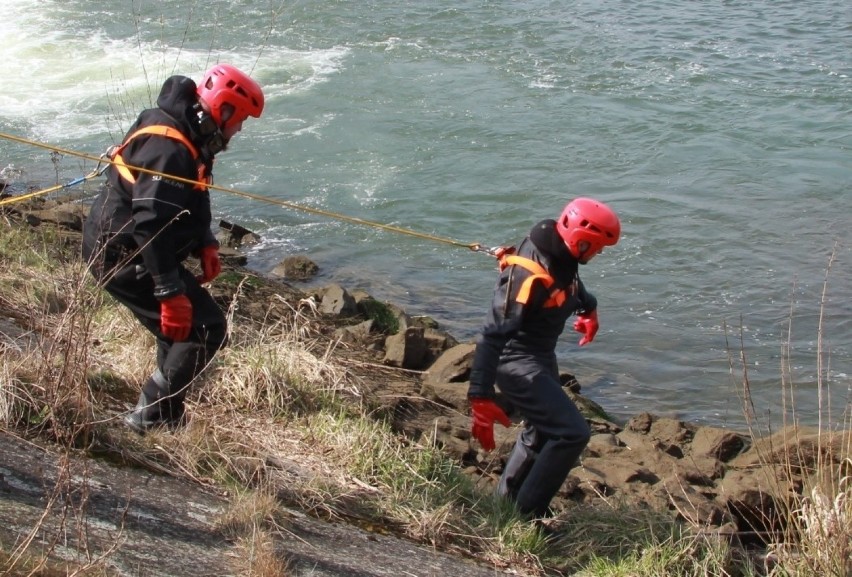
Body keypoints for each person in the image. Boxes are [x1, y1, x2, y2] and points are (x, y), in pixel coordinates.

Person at [82, 64, 264, 433]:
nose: (240, 129)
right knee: (205, 329)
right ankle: (148, 417)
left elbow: (196, 190)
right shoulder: (170, 149)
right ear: (223, 110)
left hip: (132, 247)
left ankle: (165, 415)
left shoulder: (188, 133)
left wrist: (206, 242)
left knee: (179, 333)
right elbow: (149, 222)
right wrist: (169, 291)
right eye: (240, 119)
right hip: (123, 254)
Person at [467, 197, 621, 518]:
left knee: (541, 430)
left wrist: (589, 308)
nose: (600, 253)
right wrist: (480, 397)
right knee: (572, 433)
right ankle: (527, 515)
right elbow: (492, 335)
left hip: (539, 355)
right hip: (515, 361)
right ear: (580, 241)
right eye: (598, 246)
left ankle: (506, 508)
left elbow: (570, 284)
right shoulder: (527, 277)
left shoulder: (561, 252)